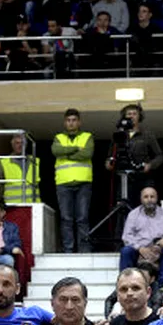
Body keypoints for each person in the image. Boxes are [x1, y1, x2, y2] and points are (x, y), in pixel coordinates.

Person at [120, 186, 163, 289]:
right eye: (146, 197)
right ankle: (125, 283)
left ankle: (162, 287)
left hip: (159, 249)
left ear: (157, 198)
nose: (149, 199)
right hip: (139, 250)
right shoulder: (133, 215)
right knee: (126, 251)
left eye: (152, 197)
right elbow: (126, 236)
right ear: (141, 199)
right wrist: (140, 248)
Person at [53, 108, 94, 253]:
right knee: (66, 219)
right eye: (68, 120)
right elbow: (55, 151)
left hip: (83, 182)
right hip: (63, 183)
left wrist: (67, 154)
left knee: (82, 218)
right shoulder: (58, 137)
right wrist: (76, 148)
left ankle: (84, 249)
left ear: (79, 122)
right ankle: (68, 250)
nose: (71, 123)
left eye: (74, 120)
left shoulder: (87, 136)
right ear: (65, 122)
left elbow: (87, 153)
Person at [105, 104, 162, 195]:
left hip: (143, 177)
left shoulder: (148, 135)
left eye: (134, 114)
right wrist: (108, 163)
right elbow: (110, 155)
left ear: (139, 116)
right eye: (129, 114)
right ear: (124, 117)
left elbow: (159, 156)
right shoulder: (118, 135)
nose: (132, 116)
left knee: (145, 205)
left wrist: (150, 165)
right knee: (124, 205)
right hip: (124, 177)